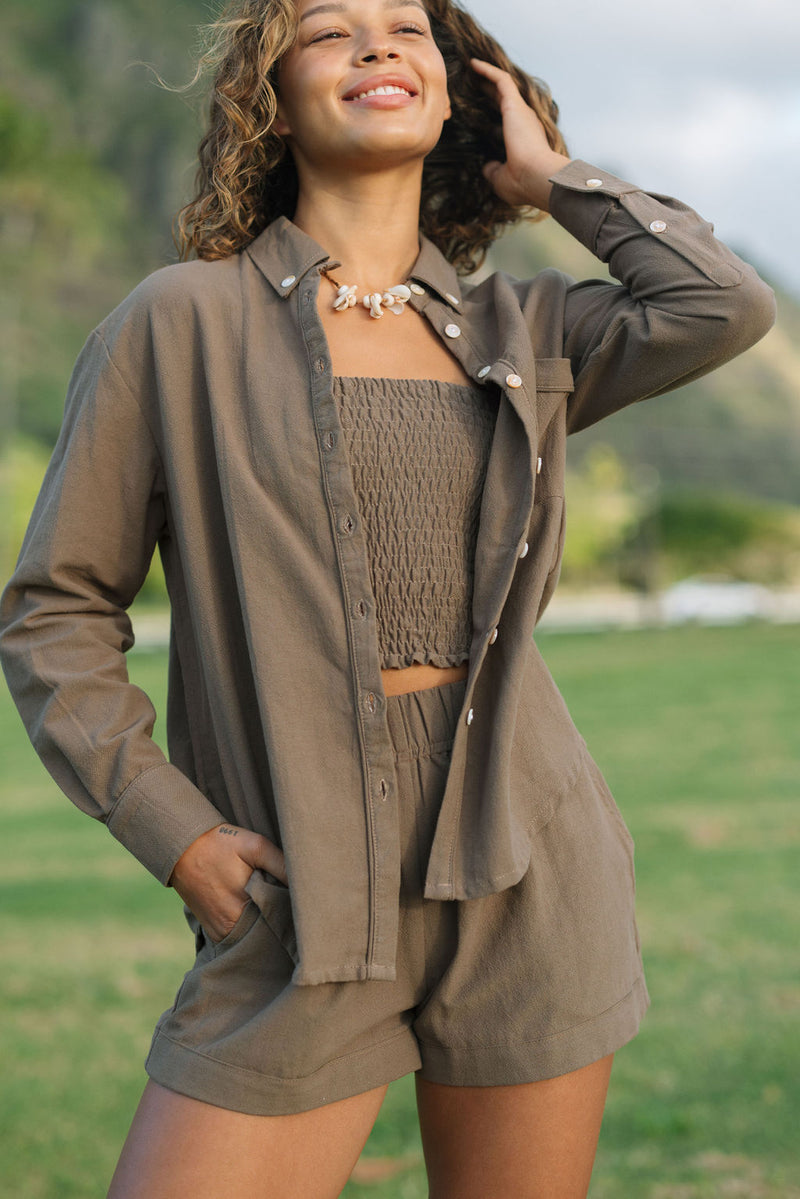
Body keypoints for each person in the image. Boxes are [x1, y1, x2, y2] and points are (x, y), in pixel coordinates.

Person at [0, 0, 776, 1194]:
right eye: (328, 29)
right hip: (296, 885)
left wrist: (550, 176)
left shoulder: (523, 330)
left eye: (406, 28)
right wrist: (177, 833)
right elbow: (56, 609)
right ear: (269, 94)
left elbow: (719, 304)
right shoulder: (179, 323)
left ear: (458, 87)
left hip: (529, 860)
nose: (374, 46)